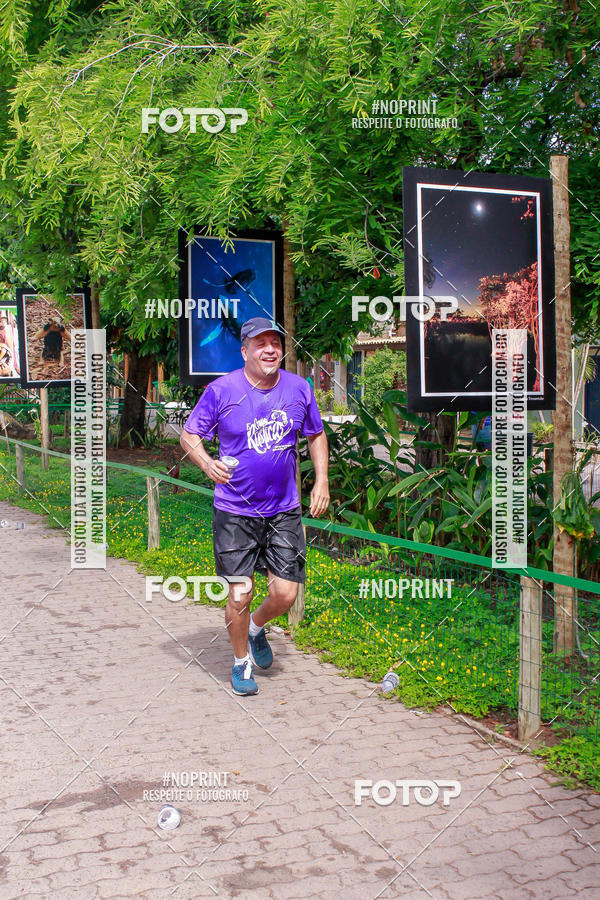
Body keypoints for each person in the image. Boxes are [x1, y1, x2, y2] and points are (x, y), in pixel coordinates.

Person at [180, 317, 330, 696]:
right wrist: (206, 463)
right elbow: (189, 435)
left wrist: (321, 481)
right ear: (244, 350)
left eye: (276, 343)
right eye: (260, 343)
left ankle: (256, 627)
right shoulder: (221, 390)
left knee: (286, 593)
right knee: (240, 592)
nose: (270, 349)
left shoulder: (299, 389)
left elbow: (315, 434)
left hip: (283, 509)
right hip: (235, 510)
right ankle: (240, 662)